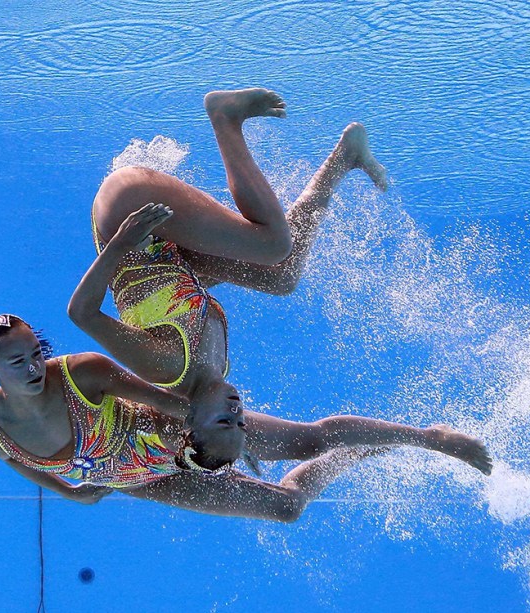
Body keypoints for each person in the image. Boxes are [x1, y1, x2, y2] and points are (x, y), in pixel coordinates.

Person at [68, 87, 492, 479]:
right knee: (281, 277)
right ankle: (343, 159)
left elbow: (83, 313)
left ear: (190, 420)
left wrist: (121, 242)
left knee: (272, 244)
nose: (237, 412)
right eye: (241, 422)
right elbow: (317, 439)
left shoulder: (165, 366)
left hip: (129, 213)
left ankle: (225, 118)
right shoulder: (214, 379)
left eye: (224, 421)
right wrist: (430, 441)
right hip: (168, 250)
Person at [0, 315, 478, 521]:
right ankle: (357, 452)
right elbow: (22, 464)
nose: (35, 366)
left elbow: (175, 404)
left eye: (37, 352)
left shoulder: (83, 374)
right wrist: (70, 491)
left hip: (168, 430)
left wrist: (231, 439)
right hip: (145, 481)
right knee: (288, 509)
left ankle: (431, 437)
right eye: (18, 362)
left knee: (306, 441)